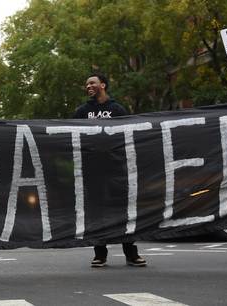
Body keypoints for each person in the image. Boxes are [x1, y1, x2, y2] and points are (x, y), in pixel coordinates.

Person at [74, 73, 147, 268]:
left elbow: (128, 135)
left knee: (123, 210)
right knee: (97, 213)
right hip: (92, 171)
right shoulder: (82, 112)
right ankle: (100, 254)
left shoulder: (117, 109)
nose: (88, 86)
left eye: (92, 82)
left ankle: (131, 254)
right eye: (86, 83)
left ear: (103, 85)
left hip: (116, 169)